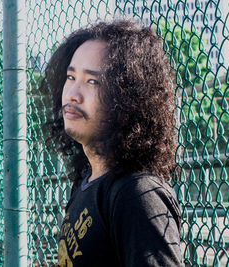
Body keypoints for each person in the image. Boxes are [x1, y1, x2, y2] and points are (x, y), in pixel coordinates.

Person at [43, 20, 182, 266]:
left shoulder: (137, 195)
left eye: (92, 82)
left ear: (128, 97)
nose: (73, 93)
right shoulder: (88, 181)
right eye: (71, 76)